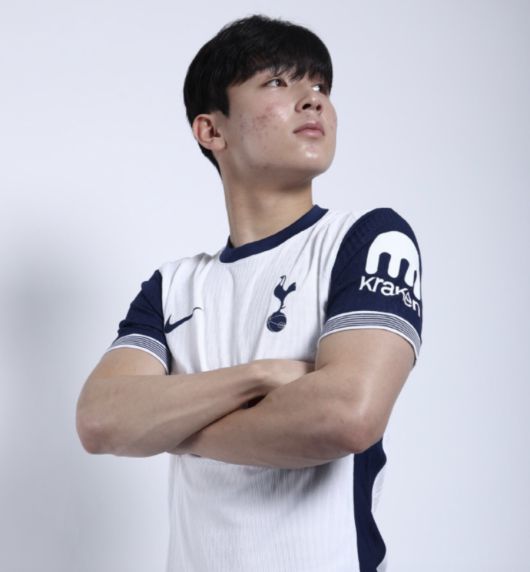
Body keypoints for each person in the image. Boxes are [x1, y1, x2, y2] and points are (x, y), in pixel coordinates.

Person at [76, 13, 423, 572]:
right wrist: (262, 376)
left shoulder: (366, 239)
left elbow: (347, 417)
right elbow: (100, 421)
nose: (313, 101)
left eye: (321, 86)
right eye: (278, 82)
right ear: (211, 131)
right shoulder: (172, 287)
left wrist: (170, 429)